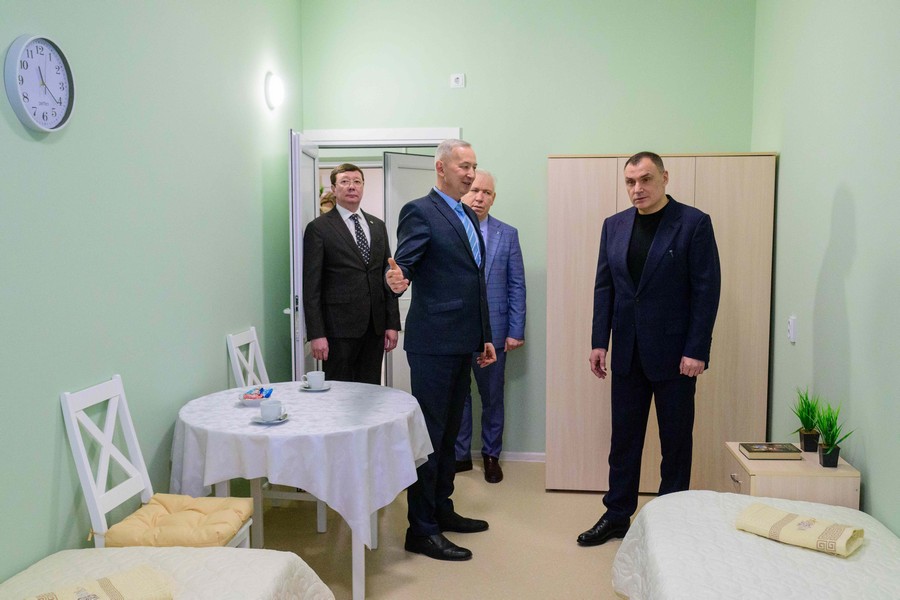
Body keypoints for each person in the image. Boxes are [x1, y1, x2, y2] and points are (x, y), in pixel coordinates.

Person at [577, 151, 721, 547]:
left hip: (676, 357)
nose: (637, 188)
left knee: (675, 442)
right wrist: (599, 341)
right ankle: (616, 514)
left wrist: (697, 349)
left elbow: (706, 291)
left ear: (664, 178)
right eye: (630, 181)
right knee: (623, 440)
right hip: (627, 351)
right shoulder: (614, 225)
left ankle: (671, 519)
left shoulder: (693, 223)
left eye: (645, 179)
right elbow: (604, 286)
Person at [385, 139, 496, 561]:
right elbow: (405, 265)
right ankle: (421, 529)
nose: (470, 173)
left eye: (473, 166)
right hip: (433, 344)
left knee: (449, 436)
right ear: (441, 168)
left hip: (462, 342)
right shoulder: (420, 211)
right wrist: (396, 281)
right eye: (463, 166)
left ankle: (442, 509)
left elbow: (474, 282)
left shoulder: (467, 214)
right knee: (430, 438)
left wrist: (484, 336)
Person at [453, 170, 526, 483]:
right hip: (457, 329)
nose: (479, 197)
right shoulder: (451, 229)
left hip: (495, 330)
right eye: (474, 190)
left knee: (493, 396)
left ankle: (491, 455)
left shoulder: (507, 234)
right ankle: (459, 455)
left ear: (493, 198)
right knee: (459, 395)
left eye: (487, 192)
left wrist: (515, 330)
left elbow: (516, 284)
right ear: (464, 192)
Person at [303, 163, 400, 384]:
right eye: (345, 182)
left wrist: (392, 323)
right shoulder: (319, 228)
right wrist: (316, 334)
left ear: (363, 186)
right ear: (334, 188)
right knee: (339, 392)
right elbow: (312, 286)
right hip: (338, 331)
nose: (351, 186)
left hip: (375, 328)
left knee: (371, 390)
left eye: (357, 181)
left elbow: (387, 277)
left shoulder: (378, 226)